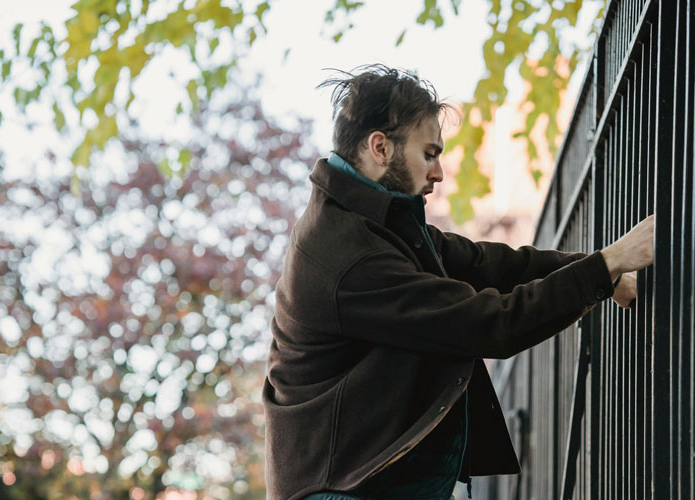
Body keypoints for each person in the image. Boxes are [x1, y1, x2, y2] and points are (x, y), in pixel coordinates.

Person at [261, 64, 654, 500]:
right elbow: (486, 324)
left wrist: (604, 271)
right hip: (343, 492)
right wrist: (607, 264)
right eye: (429, 154)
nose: (439, 173)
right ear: (380, 148)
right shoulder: (347, 254)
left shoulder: (381, 223)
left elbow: (488, 264)